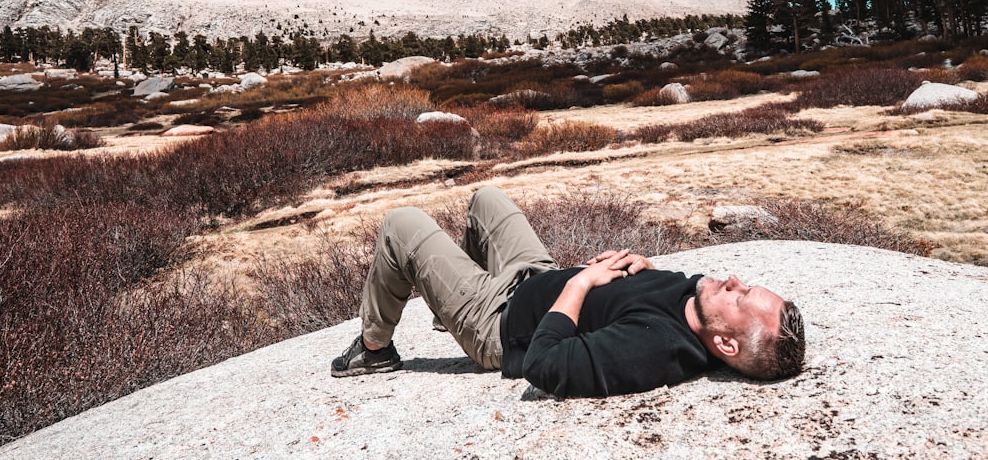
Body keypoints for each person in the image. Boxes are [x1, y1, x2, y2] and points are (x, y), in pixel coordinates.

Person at [331, 186, 805, 397]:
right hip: (533, 279)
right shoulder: (700, 305)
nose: (735, 282)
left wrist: (581, 282)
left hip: (499, 323)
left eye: (741, 298)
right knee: (486, 199)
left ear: (725, 343)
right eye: (746, 285)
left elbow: (545, 365)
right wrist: (647, 269)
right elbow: (647, 302)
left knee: (401, 224)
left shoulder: (655, 349)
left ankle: (375, 349)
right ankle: (447, 304)